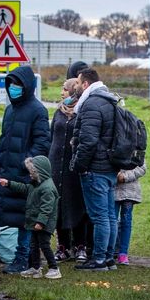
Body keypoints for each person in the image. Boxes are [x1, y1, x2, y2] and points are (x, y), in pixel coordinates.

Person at [0, 66, 51, 274]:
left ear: (27, 86)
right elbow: (4, 138)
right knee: (16, 217)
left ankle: (24, 257)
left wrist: (24, 163)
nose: (13, 88)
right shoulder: (10, 110)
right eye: (11, 84)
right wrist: (0, 161)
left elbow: (43, 142)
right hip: (8, 170)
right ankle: (24, 256)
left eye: (17, 85)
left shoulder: (37, 110)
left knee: (26, 218)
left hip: (26, 173)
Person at [71, 68, 122, 271]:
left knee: (100, 216)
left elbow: (89, 140)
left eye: (77, 82)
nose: (74, 86)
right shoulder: (109, 101)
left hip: (95, 168)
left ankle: (99, 258)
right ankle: (108, 258)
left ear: (85, 84)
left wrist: (79, 165)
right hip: (109, 167)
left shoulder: (91, 104)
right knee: (109, 215)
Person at [0, 155, 61, 280]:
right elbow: (24, 188)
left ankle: (54, 268)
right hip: (34, 223)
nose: (30, 175)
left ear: (40, 172)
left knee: (44, 245)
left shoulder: (47, 188)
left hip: (43, 224)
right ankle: (35, 268)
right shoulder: (36, 184)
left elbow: (46, 209)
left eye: (32, 172)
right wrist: (9, 184)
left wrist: (41, 222)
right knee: (33, 245)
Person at [49, 78, 91, 262]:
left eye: (65, 90)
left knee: (76, 204)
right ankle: (62, 246)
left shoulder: (81, 112)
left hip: (73, 167)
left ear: (73, 92)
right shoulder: (58, 112)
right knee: (58, 206)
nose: (62, 93)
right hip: (56, 166)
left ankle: (80, 245)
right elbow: (51, 136)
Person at [113, 162, 146, 265]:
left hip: (130, 192)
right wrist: (116, 175)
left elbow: (142, 168)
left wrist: (125, 177)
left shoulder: (137, 148)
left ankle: (123, 253)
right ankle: (110, 251)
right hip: (113, 190)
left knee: (126, 222)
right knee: (112, 221)